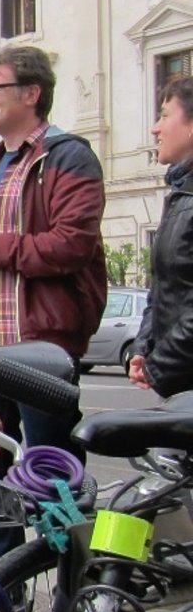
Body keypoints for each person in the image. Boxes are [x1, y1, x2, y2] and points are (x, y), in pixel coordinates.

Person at [0, 44, 106, 563]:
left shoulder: (68, 155)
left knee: (52, 474)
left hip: (42, 349)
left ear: (32, 94)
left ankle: (75, 583)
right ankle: (5, 585)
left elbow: (69, 246)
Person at [129, 76, 193, 398]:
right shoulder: (180, 194)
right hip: (180, 380)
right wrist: (143, 347)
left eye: (165, 115)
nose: (155, 128)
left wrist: (160, 365)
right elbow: (164, 288)